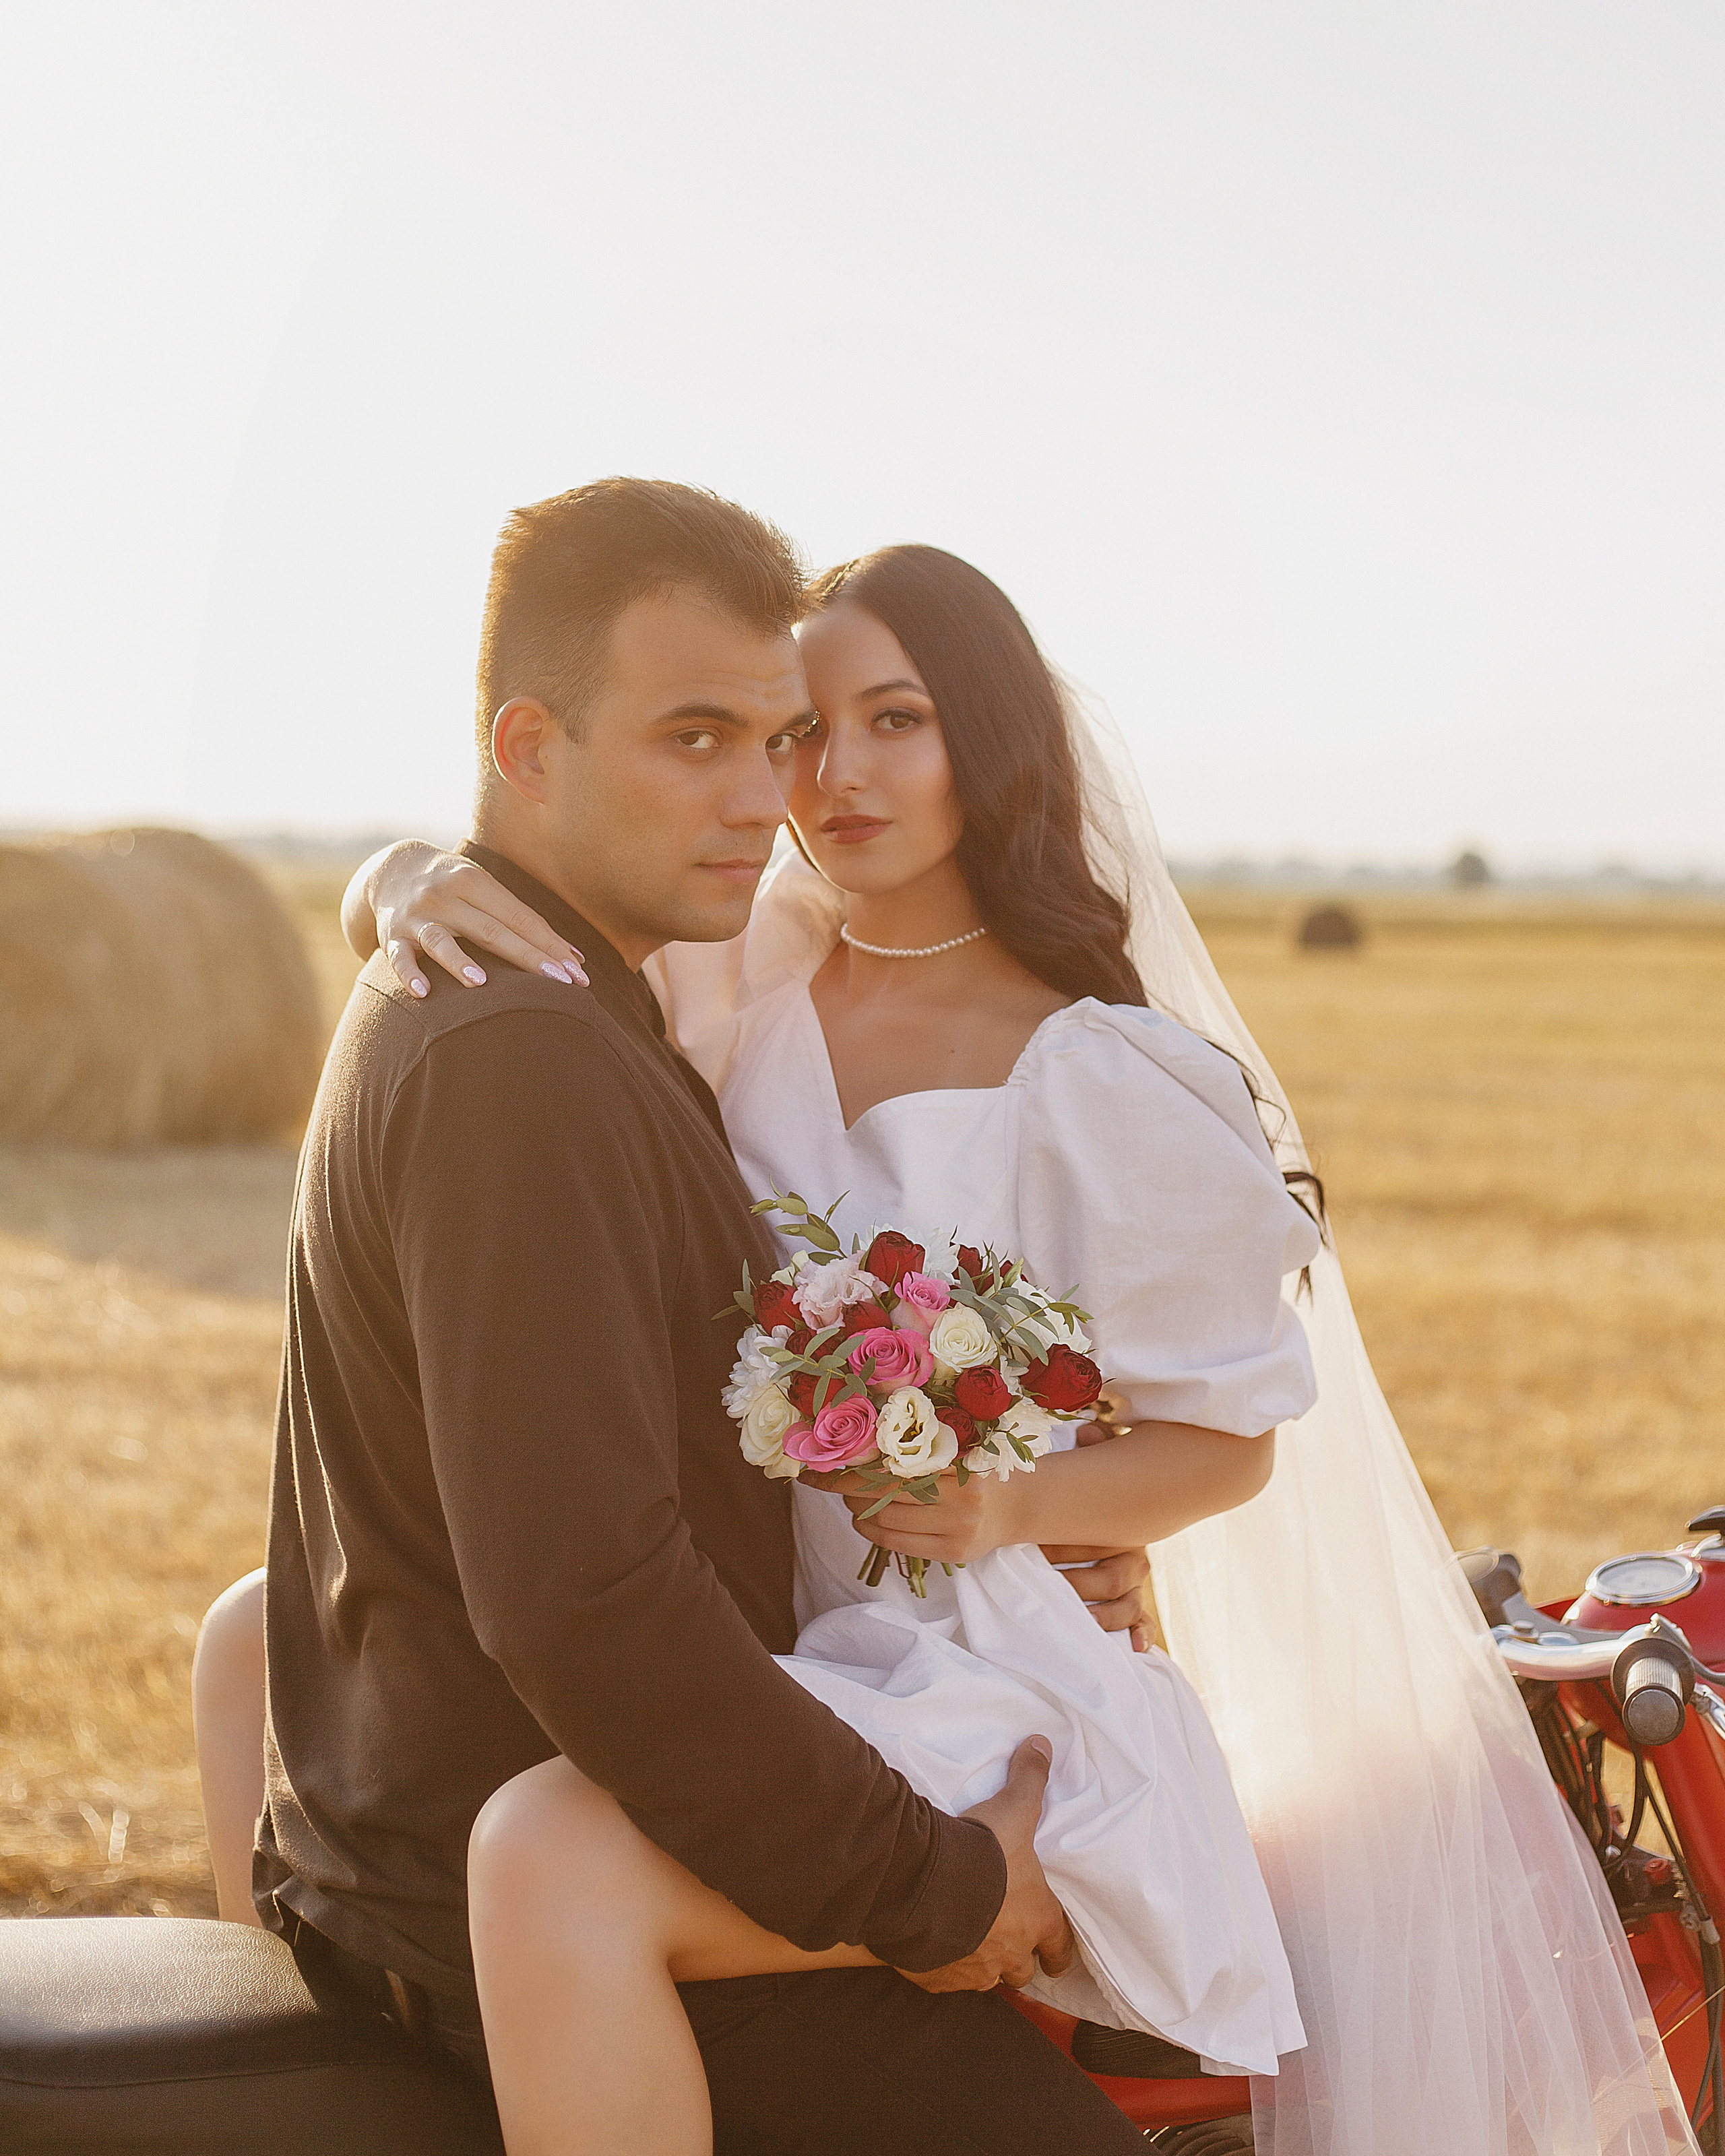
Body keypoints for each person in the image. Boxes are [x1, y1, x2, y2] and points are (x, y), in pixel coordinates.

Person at [336, 533, 1701, 2156]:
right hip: (763, 1638)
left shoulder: (1099, 1070)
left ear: (986, 740)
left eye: (892, 721)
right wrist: (398, 875)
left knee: (558, 1853)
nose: (829, 775)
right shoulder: (743, 969)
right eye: (797, 734)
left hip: (974, 1661)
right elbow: (554, 874)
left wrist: (1022, 1510)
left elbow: (1232, 1435)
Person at [237, 479, 1163, 2156]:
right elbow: (587, 1596)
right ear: (529, 745)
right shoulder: (521, 1060)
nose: (765, 800)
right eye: (692, 739)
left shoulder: (570, 987)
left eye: (778, 736)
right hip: (553, 1883)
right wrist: (932, 1886)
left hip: (569, 1810)